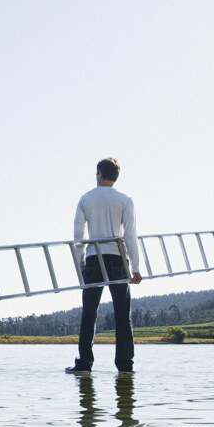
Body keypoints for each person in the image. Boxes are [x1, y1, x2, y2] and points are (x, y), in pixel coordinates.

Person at [66, 157, 142, 375]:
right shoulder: (125, 200)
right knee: (122, 314)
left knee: (89, 312)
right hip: (117, 257)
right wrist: (135, 267)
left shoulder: (85, 199)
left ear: (99, 173)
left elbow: (78, 236)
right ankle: (125, 366)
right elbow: (130, 235)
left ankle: (84, 364)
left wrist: (80, 264)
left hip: (93, 258)